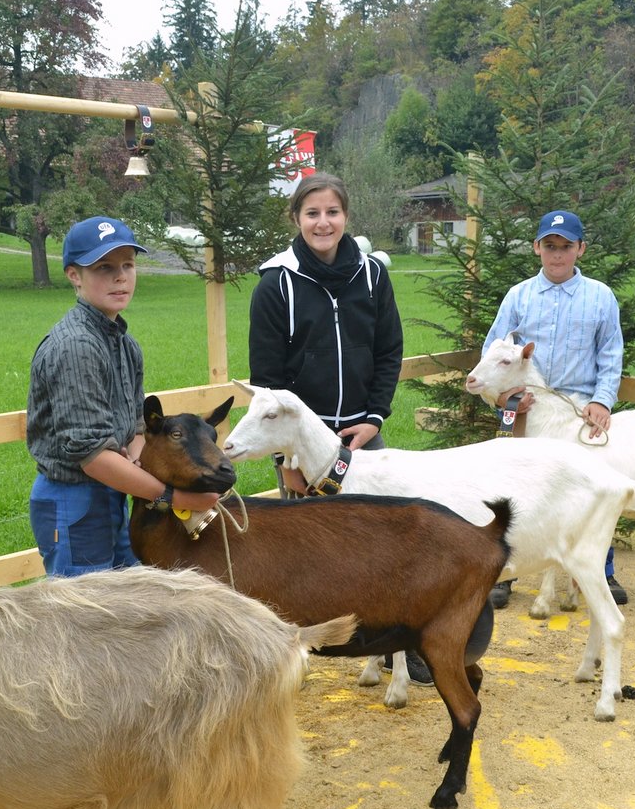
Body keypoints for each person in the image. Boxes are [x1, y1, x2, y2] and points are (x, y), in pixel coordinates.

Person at [247, 172, 412, 673]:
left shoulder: (372, 275)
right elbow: (268, 384)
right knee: (308, 553)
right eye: (312, 213)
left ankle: (395, 646)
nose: (323, 222)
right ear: (296, 218)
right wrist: (287, 458)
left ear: (346, 217)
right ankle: (306, 650)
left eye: (332, 212)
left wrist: (373, 418)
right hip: (304, 444)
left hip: (362, 434)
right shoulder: (276, 284)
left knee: (384, 546)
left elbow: (388, 350)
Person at [27, 216, 220, 578]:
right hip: (74, 498)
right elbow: (93, 456)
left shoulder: (124, 344)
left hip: (115, 492)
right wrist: (173, 498)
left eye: (128, 265)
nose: (120, 277)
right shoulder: (76, 347)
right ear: (73, 275)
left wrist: (153, 472)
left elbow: (135, 429)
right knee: (87, 620)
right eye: (104, 267)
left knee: (127, 609)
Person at [481, 209, 629, 608]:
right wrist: (505, 397)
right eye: (550, 246)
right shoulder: (520, 296)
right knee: (517, 486)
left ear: (580, 249)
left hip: (578, 410)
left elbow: (611, 352)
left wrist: (601, 400)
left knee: (592, 483)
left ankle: (601, 571)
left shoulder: (600, 296)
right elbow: (495, 349)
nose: (557, 255)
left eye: (565, 247)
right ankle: (504, 572)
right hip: (526, 406)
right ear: (537, 248)